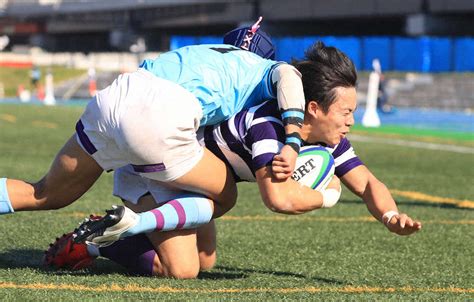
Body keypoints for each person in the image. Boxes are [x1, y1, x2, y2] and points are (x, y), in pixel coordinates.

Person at [45, 42, 421, 278]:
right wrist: (329, 196)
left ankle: (116, 231)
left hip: (188, 178)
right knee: (180, 269)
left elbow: (368, 182)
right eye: (346, 112)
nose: (351, 121)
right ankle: (103, 238)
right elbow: (279, 199)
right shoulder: (267, 125)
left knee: (205, 262)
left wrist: (390, 216)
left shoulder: (329, 139)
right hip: (160, 169)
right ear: (313, 108)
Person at [0, 18, 309, 240]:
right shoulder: (261, 68)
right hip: (158, 120)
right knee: (225, 195)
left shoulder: (205, 52)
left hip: (117, 96)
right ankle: (129, 227)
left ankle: (126, 221)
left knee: (45, 193)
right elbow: (290, 77)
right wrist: (293, 142)